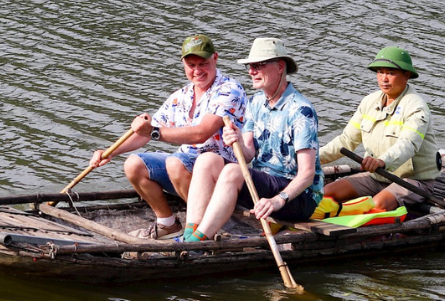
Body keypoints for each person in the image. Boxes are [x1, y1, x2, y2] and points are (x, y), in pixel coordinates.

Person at [87, 34, 247, 239]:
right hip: (185, 163)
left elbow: (201, 133)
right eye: (191, 65)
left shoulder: (229, 90)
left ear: (215, 58)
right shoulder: (181, 95)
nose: (197, 71)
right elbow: (148, 131)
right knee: (133, 164)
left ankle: (204, 227)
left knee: (175, 163)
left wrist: (153, 133)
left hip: (219, 168)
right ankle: (167, 223)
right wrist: (110, 152)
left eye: (203, 64)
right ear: (183, 64)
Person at [181, 37, 323, 243]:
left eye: (258, 66)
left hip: (298, 197)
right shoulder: (255, 103)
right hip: (263, 185)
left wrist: (277, 201)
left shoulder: (301, 111)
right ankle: (189, 234)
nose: (251, 71)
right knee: (207, 160)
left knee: (232, 170)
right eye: (250, 66)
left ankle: (198, 242)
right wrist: (236, 140)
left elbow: (307, 175)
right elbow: (247, 156)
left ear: (280, 67)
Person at [319, 46, 440, 211]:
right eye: (380, 72)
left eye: (391, 73)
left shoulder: (416, 106)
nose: (384, 79)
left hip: (411, 181)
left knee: (374, 207)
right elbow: (346, 140)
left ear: (406, 76)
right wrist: (313, 158)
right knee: (325, 194)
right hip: (376, 178)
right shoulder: (369, 101)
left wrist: (382, 161)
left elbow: (408, 144)